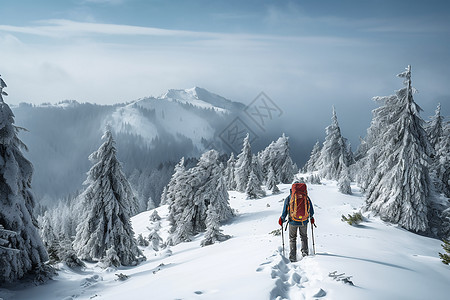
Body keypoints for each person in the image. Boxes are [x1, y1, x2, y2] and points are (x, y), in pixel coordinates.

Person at [278, 182, 314, 262]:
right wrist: (311, 217)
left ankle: (292, 257)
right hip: (304, 221)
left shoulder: (289, 197)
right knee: (304, 237)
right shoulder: (306, 197)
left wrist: (282, 219)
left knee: (292, 238)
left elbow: (285, 211)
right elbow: (311, 209)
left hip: (292, 221)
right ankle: (305, 254)